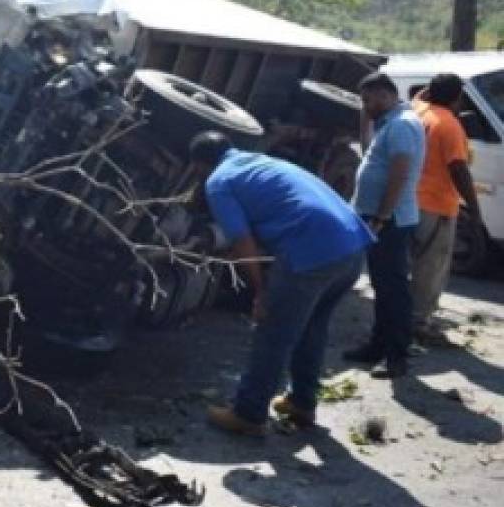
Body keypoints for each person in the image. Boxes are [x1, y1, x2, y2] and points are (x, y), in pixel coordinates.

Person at [190, 132, 374, 437]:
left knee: (273, 331)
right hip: (353, 246)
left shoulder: (219, 181)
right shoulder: (261, 162)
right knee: (313, 327)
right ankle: (302, 403)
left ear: (199, 165)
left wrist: (261, 291)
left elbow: (242, 242)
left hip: (312, 250)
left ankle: (248, 413)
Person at [345, 71, 425, 379]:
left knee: (393, 288)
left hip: (389, 219)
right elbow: (370, 155)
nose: (366, 106)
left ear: (385, 95)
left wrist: (381, 216)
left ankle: (396, 356)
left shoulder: (403, 125)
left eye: (368, 100)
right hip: (381, 217)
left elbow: (400, 174)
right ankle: (377, 346)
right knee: (382, 285)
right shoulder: (389, 122)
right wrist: (363, 116)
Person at [410, 73, 483, 341]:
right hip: (437, 205)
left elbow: (419, 97)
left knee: (413, 262)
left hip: (412, 202)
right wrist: (474, 208)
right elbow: (458, 168)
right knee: (431, 266)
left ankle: (407, 316)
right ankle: (419, 323)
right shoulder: (449, 125)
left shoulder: (418, 111)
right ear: (457, 97)